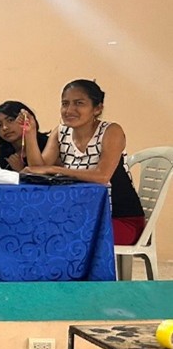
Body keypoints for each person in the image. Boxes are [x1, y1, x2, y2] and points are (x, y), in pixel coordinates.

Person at [24, 79, 146, 245]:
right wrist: (30, 134)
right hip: (83, 217)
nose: (69, 110)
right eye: (65, 104)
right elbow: (37, 169)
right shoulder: (61, 132)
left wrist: (55, 169)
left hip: (120, 220)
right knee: (38, 231)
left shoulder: (111, 131)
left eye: (79, 103)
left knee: (59, 237)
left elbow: (102, 176)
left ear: (97, 108)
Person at [0, 100, 49, 171]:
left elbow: (46, 175)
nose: (4, 127)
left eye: (10, 120)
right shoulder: (3, 156)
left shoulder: (47, 145)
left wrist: (21, 170)